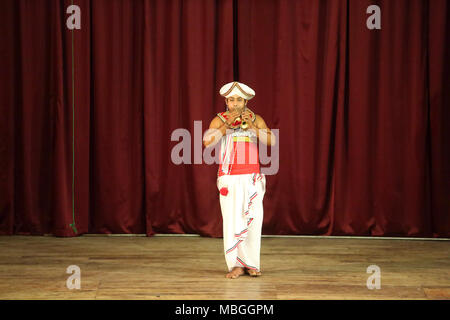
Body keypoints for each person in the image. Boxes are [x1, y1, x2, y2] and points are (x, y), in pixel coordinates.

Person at [203, 81, 276, 279]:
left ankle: (251, 264)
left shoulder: (255, 119)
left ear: (246, 101)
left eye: (239, 100)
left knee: (253, 220)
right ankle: (236, 265)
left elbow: (271, 141)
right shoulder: (218, 120)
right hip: (230, 177)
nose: (235, 104)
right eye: (232, 100)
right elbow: (207, 142)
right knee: (233, 221)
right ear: (226, 101)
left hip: (252, 176)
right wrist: (227, 125)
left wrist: (252, 127)